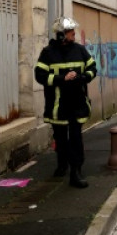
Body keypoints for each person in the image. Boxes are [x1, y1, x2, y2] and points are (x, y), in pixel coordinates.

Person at [34, 16, 97, 188]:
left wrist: (83, 77)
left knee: (76, 137)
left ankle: (76, 171)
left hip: (77, 103)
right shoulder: (48, 53)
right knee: (60, 138)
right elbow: (39, 76)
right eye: (70, 32)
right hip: (58, 105)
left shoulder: (80, 50)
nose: (74, 34)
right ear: (61, 35)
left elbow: (93, 68)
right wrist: (62, 78)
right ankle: (62, 164)